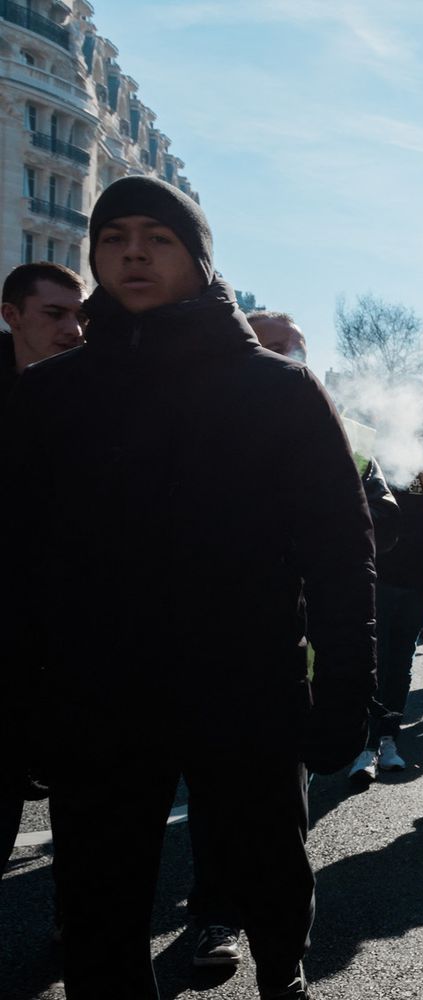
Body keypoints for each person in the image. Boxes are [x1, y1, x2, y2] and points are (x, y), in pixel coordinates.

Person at [9, 176, 376, 1000]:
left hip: (244, 686)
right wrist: (19, 698)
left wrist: (347, 688)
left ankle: (284, 975)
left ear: (201, 259)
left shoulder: (278, 390)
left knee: (271, 877)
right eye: (114, 237)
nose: (132, 252)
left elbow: (341, 554)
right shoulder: (49, 396)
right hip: (96, 698)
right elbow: (18, 558)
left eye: (158, 237)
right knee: (100, 913)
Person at [0, 261, 84, 909]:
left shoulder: (94, 399)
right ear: (12, 315)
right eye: (54, 314)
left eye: (78, 314)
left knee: (85, 833)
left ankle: (74, 925)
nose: (72, 328)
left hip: (74, 651)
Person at [347, 451, 423, 785]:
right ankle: (365, 746)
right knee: (372, 661)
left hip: (418, 577)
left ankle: (389, 738)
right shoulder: (369, 452)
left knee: (401, 663)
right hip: (376, 575)